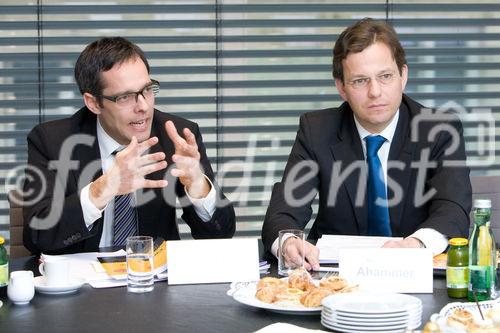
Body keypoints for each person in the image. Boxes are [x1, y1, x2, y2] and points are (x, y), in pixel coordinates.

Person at [262, 18, 471, 271]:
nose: (375, 92)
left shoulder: (439, 130)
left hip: (413, 273)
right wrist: (289, 243)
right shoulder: (317, 130)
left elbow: (453, 208)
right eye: (360, 80)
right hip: (335, 278)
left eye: (385, 76)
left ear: (403, 76)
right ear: (341, 87)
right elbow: (284, 211)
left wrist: (414, 245)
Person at [23, 37, 235, 255]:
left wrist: (197, 185)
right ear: (94, 103)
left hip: (153, 280)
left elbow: (220, 234)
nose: (143, 106)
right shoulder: (52, 141)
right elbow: (37, 237)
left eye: (147, 90)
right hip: (82, 283)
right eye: (125, 97)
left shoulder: (177, 136)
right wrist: (102, 189)